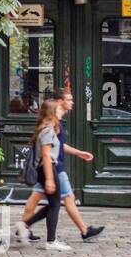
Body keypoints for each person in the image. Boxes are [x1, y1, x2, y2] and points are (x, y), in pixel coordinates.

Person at [16, 89, 105, 246]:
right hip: (53, 167)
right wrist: (50, 178)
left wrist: (78, 153)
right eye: (69, 99)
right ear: (58, 103)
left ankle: (24, 226)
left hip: (51, 167)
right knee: (64, 199)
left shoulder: (55, 125)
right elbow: (47, 153)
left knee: (42, 199)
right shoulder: (50, 127)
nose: (72, 102)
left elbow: (57, 145)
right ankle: (81, 232)